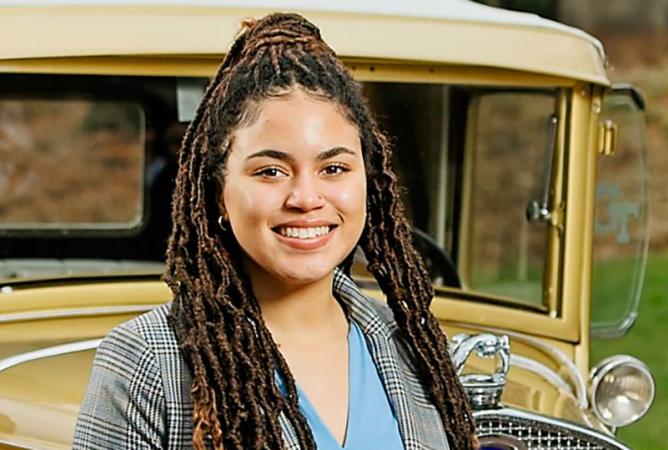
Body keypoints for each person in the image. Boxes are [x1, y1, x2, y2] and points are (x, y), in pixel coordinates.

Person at [73, 13, 476, 450]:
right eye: (270, 171)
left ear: (370, 182)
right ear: (218, 191)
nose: (306, 197)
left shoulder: (412, 346)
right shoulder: (145, 360)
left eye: (334, 168)